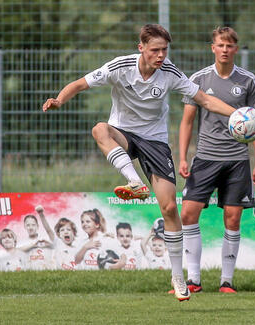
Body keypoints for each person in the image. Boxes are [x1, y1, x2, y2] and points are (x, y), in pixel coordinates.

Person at [42, 24, 236, 301]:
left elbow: (204, 99)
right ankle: (134, 180)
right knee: (100, 129)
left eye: (164, 50)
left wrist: (238, 114)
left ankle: (178, 276)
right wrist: (59, 100)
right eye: (155, 50)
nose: (161, 56)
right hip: (124, 133)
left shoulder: (170, 73)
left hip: (155, 142)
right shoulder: (120, 67)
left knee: (169, 208)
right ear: (141, 48)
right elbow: (80, 84)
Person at [178, 27, 255, 293]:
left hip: (237, 159)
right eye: (220, 45)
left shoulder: (248, 80)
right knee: (188, 214)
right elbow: (187, 121)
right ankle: (193, 279)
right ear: (212, 48)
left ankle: (226, 281)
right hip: (205, 158)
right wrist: (182, 156)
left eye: (229, 45)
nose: (225, 49)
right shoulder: (199, 79)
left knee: (232, 218)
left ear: (235, 49)